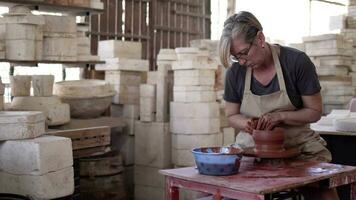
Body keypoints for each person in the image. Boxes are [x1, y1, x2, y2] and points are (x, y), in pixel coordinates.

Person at [220, 11, 338, 200]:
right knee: (220, 187)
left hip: (298, 143)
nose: (241, 61)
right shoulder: (236, 72)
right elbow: (232, 115)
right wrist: (247, 124)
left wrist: (280, 116)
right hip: (252, 145)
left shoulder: (296, 62)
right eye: (236, 57)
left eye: (243, 53)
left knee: (321, 188)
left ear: (260, 38)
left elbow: (314, 112)